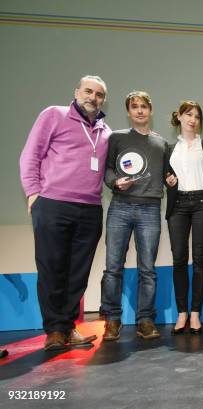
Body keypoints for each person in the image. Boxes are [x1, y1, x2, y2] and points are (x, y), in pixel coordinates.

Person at [19, 75, 111, 350]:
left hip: (90, 209)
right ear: (76, 92)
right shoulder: (53, 115)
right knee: (51, 268)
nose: (92, 97)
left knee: (77, 273)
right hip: (53, 203)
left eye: (98, 94)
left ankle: (69, 327)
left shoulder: (105, 132)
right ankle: (54, 331)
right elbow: (31, 155)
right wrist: (33, 192)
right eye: (88, 91)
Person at [100, 91, 168, 341]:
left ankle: (145, 320)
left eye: (144, 107)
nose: (140, 111)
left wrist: (171, 180)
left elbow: (168, 174)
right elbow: (107, 169)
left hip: (150, 209)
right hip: (120, 207)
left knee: (147, 269)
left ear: (150, 111)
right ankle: (112, 319)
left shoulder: (161, 143)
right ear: (128, 112)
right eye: (134, 107)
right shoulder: (116, 138)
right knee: (112, 268)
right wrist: (115, 182)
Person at [165, 101, 203, 335]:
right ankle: (182, 314)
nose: (193, 120)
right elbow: (166, 175)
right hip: (177, 205)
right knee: (179, 259)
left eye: (197, 116)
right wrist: (167, 180)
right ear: (179, 117)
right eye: (188, 115)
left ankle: (196, 314)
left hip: (202, 205)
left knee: (200, 260)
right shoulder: (168, 148)